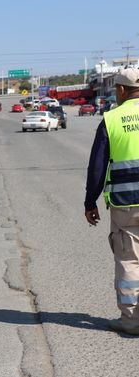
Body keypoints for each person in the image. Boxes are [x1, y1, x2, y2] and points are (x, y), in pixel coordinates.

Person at [85, 68, 139, 336]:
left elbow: (97, 167)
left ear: (120, 90)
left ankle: (131, 320)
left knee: (129, 260)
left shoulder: (112, 119)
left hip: (126, 203)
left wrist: (89, 202)